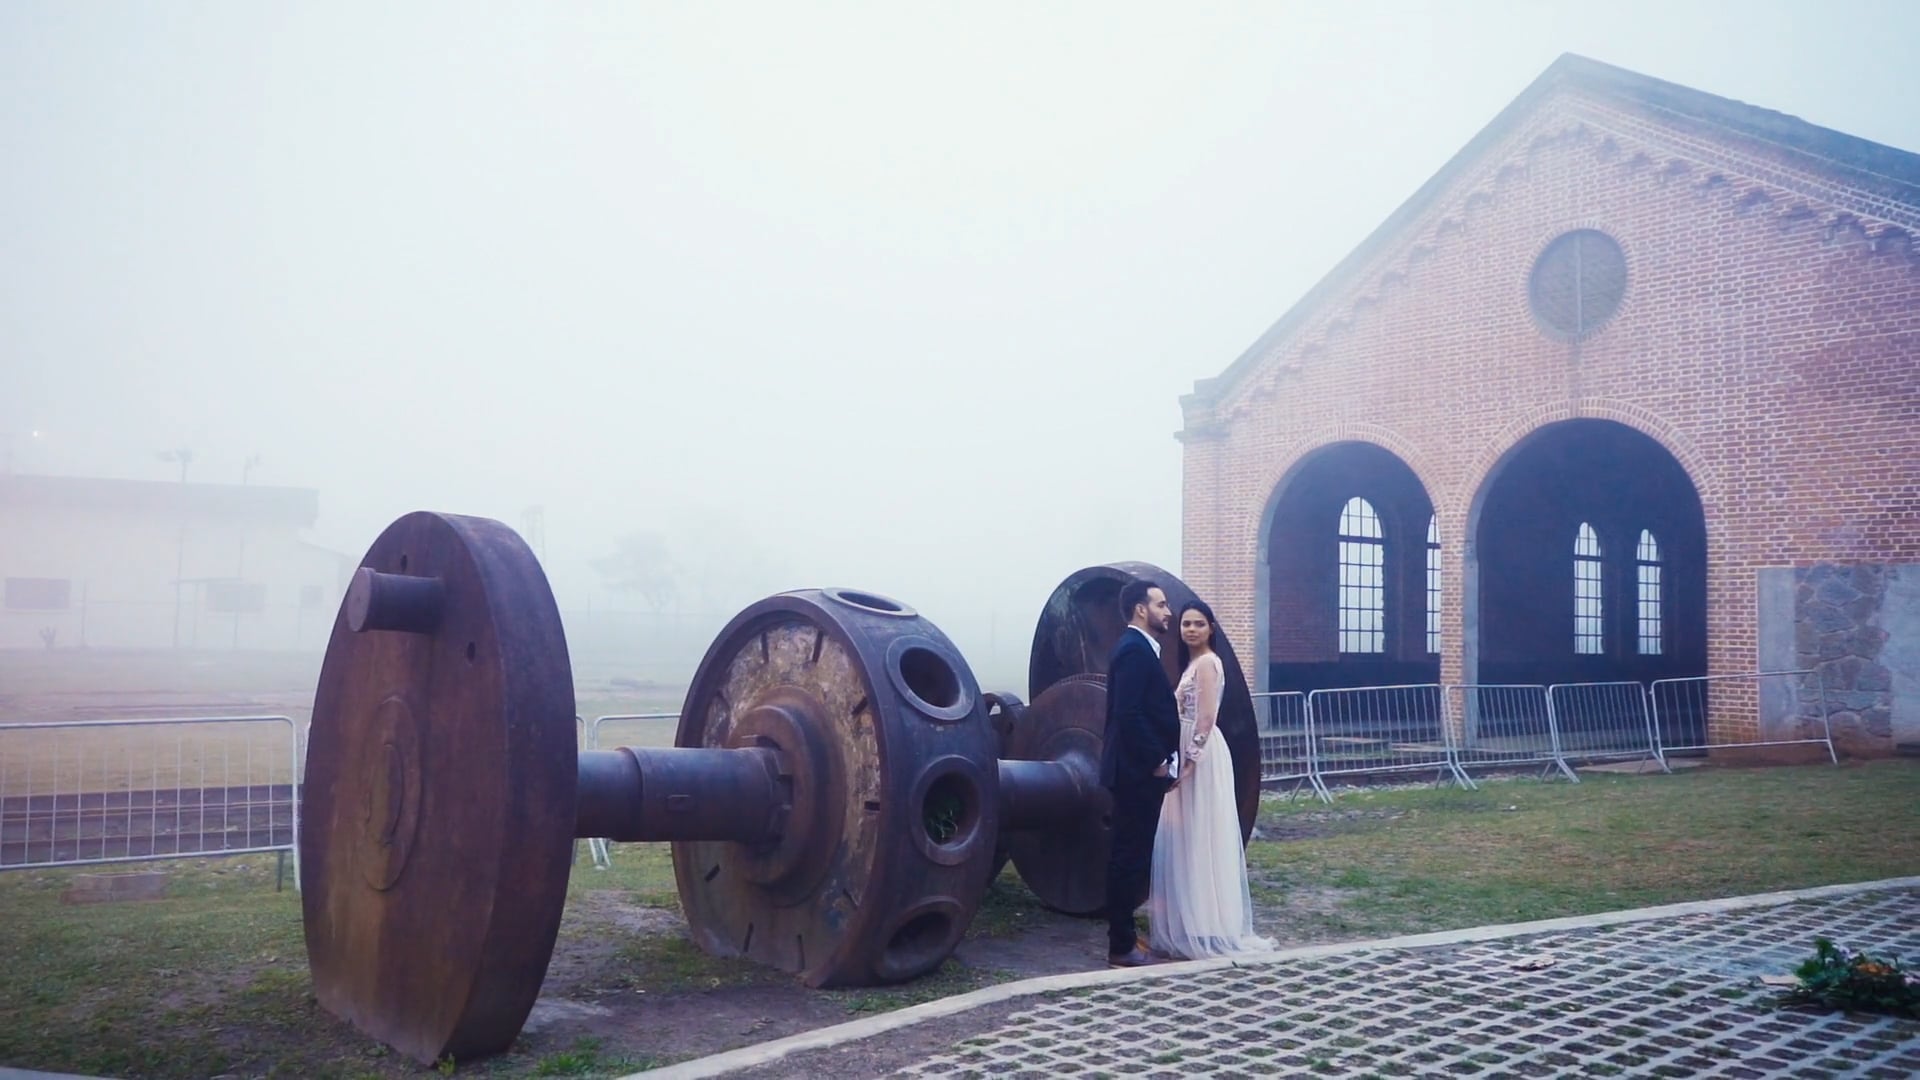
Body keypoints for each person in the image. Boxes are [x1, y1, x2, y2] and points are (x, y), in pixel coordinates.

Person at [1147, 598, 1276, 960]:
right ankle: (1191, 917)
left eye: (1198, 624)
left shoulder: (1208, 664)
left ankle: (1208, 922)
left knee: (1202, 833)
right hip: (1185, 744)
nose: (1190, 629)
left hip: (1200, 753)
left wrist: (1190, 762)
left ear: (1210, 629)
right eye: (1186, 624)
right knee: (1186, 835)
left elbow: (1206, 717)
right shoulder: (1190, 665)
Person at [1101, 577, 1181, 968]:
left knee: (1134, 855)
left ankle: (1128, 937)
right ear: (1140, 609)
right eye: (1161, 604)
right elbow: (1127, 713)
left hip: (1138, 771)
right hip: (1136, 773)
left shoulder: (1140, 648)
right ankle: (1120, 947)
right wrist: (1157, 759)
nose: (1168, 612)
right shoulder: (1134, 650)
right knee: (1128, 857)